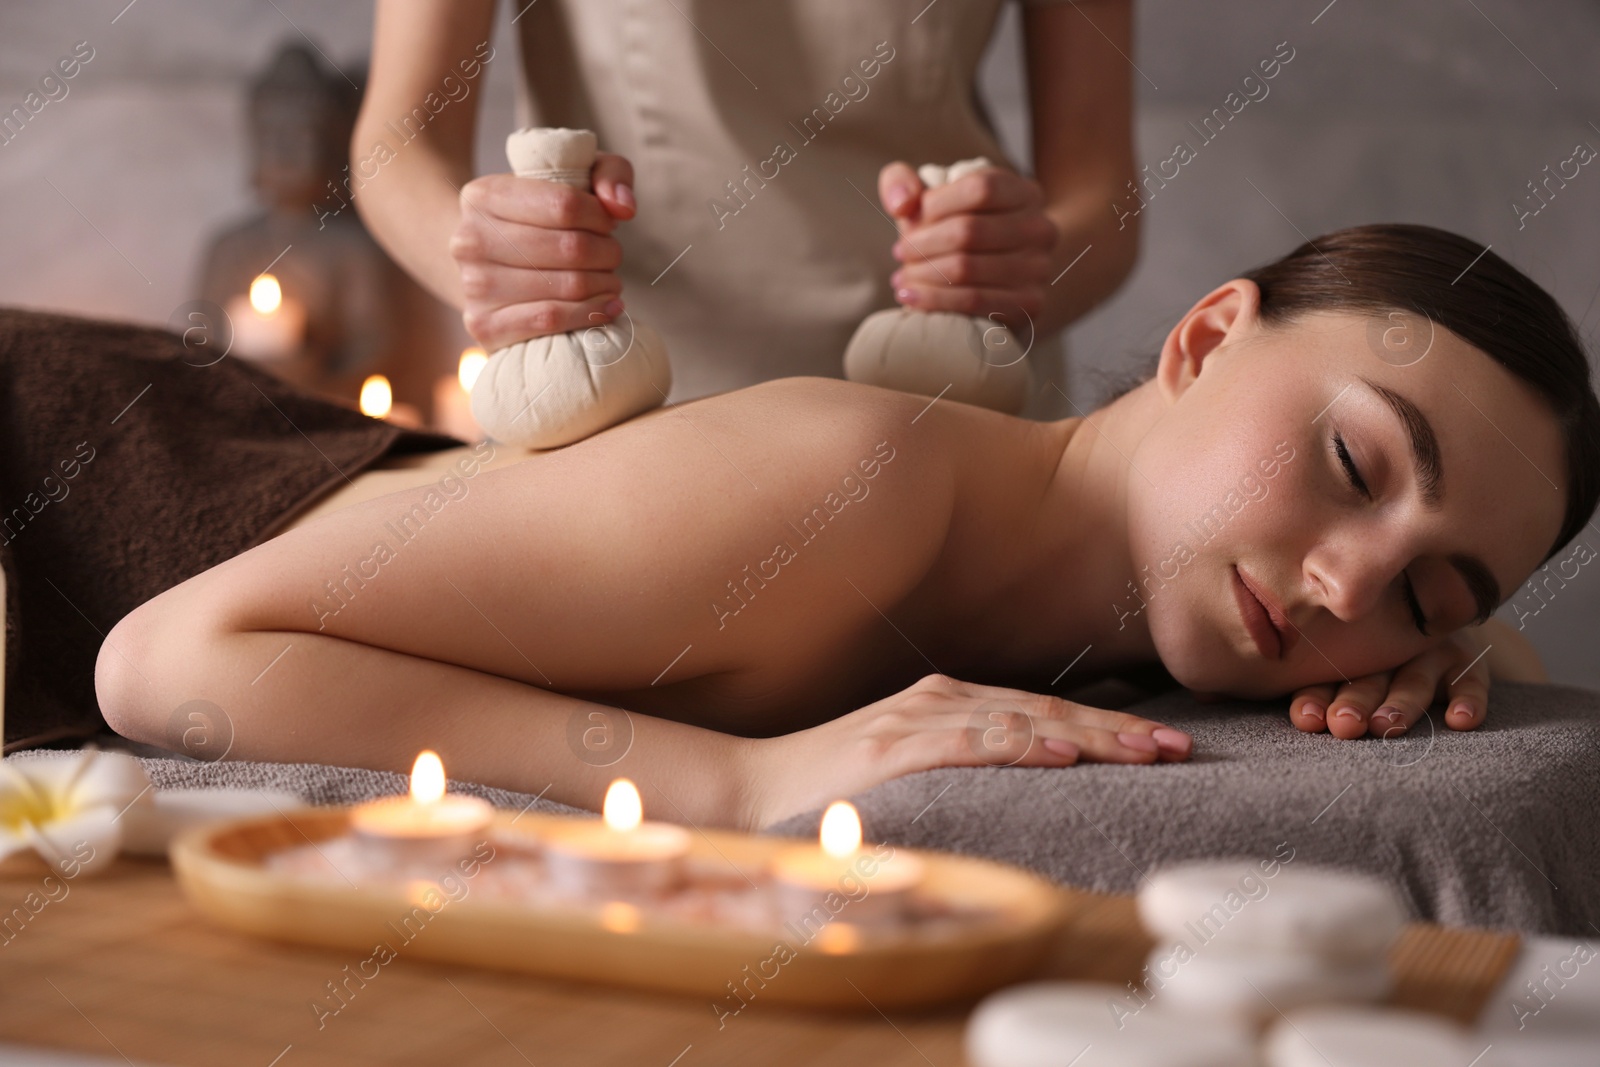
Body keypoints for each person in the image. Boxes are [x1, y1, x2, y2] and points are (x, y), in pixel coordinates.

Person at [96, 225, 1600, 831]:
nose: (1350, 584)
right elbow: (173, 657)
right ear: (1204, 337)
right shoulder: (852, 474)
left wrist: (1460, 651)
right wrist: (742, 779)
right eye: (1351, 459)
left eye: (1424, 589)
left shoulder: (1143, 624)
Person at [348, 0, 1139, 405]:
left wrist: (1029, 261)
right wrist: (488, 253)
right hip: (628, 412)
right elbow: (398, 144)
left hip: (956, 409)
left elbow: (1105, 198)